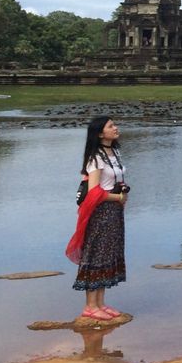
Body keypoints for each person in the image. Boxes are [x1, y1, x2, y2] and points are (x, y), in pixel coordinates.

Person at [66, 116, 130, 321]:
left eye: (114, 125)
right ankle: (90, 306)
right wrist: (117, 197)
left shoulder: (114, 152)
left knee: (107, 253)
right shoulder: (95, 158)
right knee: (96, 254)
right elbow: (94, 191)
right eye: (111, 126)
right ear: (100, 133)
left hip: (114, 212)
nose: (116, 128)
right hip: (100, 213)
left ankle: (100, 303)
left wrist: (121, 195)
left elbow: (113, 181)